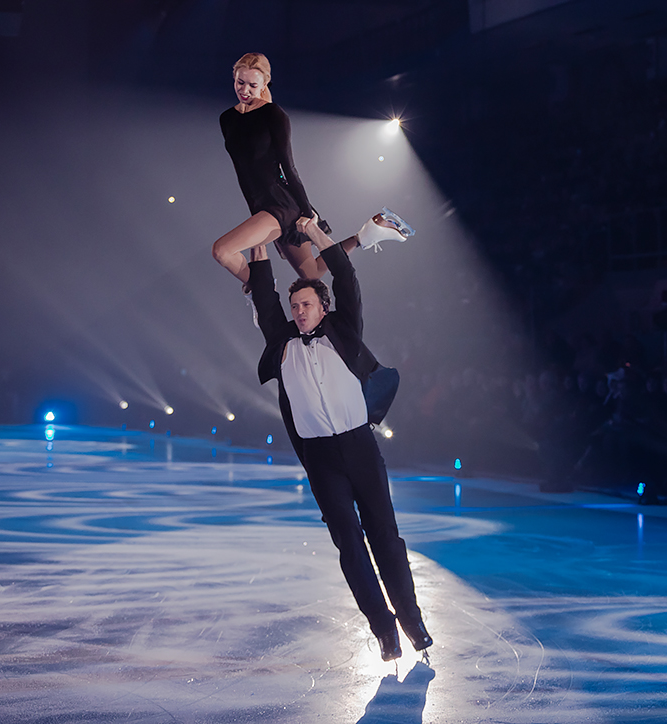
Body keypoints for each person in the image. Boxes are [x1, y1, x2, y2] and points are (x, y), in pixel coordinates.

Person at [248, 212, 431, 662]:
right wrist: (256, 247)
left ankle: (412, 622)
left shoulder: (344, 331)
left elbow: (346, 277)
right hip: (322, 458)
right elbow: (265, 294)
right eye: (295, 307)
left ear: (322, 306)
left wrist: (313, 232)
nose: (299, 311)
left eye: (306, 305)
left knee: (385, 537)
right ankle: (384, 631)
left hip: (360, 448)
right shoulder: (283, 341)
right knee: (350, 545)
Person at [212, 53, 405, 284]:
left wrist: (306, 212)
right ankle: (365, 235)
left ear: (264, 83)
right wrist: (256, 216)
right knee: (311, 273)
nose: (245, 90)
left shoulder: (274, 115)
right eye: (240, 82)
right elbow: (243, 172)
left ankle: (258, 293)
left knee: (222, 251)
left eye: (253, 85)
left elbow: (288, 167)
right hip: (260, 207)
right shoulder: (227, 119)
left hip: (281, 205)